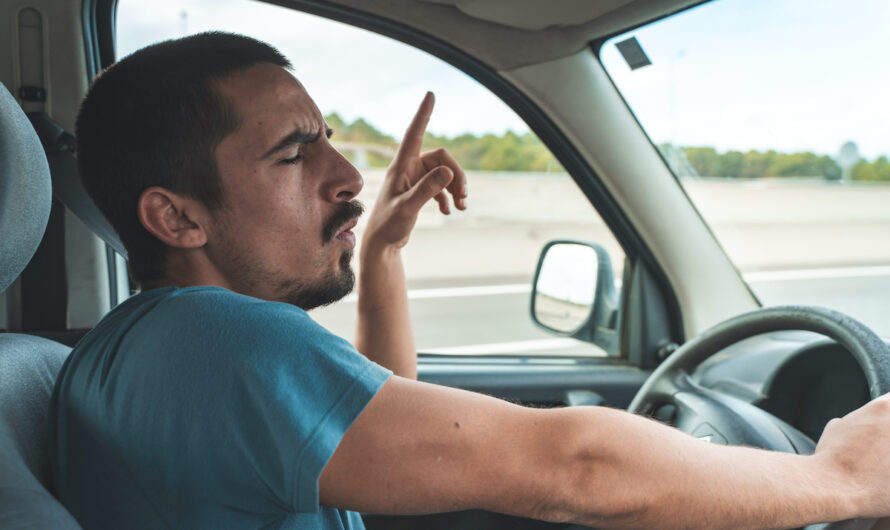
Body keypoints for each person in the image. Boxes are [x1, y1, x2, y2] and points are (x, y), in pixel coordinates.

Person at [50, 31, 890, 529]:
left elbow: (376, 422)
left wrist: (377, 254)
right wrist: (836, 481)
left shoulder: (138, 348)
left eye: (330, 139)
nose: (346, 173)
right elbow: (577, 468)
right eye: (294, 152)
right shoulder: (214, 341)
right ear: (177, 219)